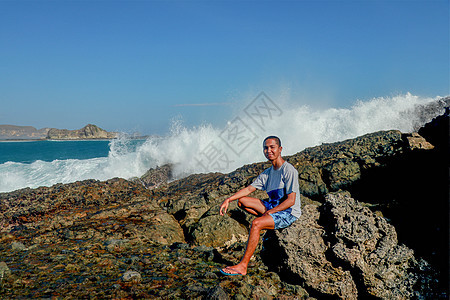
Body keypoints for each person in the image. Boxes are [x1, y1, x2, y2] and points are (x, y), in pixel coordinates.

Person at [219, 135, 301, 276]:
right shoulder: (267, 173)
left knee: (256, 224)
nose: (268, 150)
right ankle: (266, 221)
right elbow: (249, 190)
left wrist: (269, 213)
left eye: (272, 147)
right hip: (274, 207)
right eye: (265, 148)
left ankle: (243, 266)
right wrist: (228, 199)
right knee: (242, 201)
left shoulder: (289, 170)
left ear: (280, 149)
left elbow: (291, 201)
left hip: (288, 212)